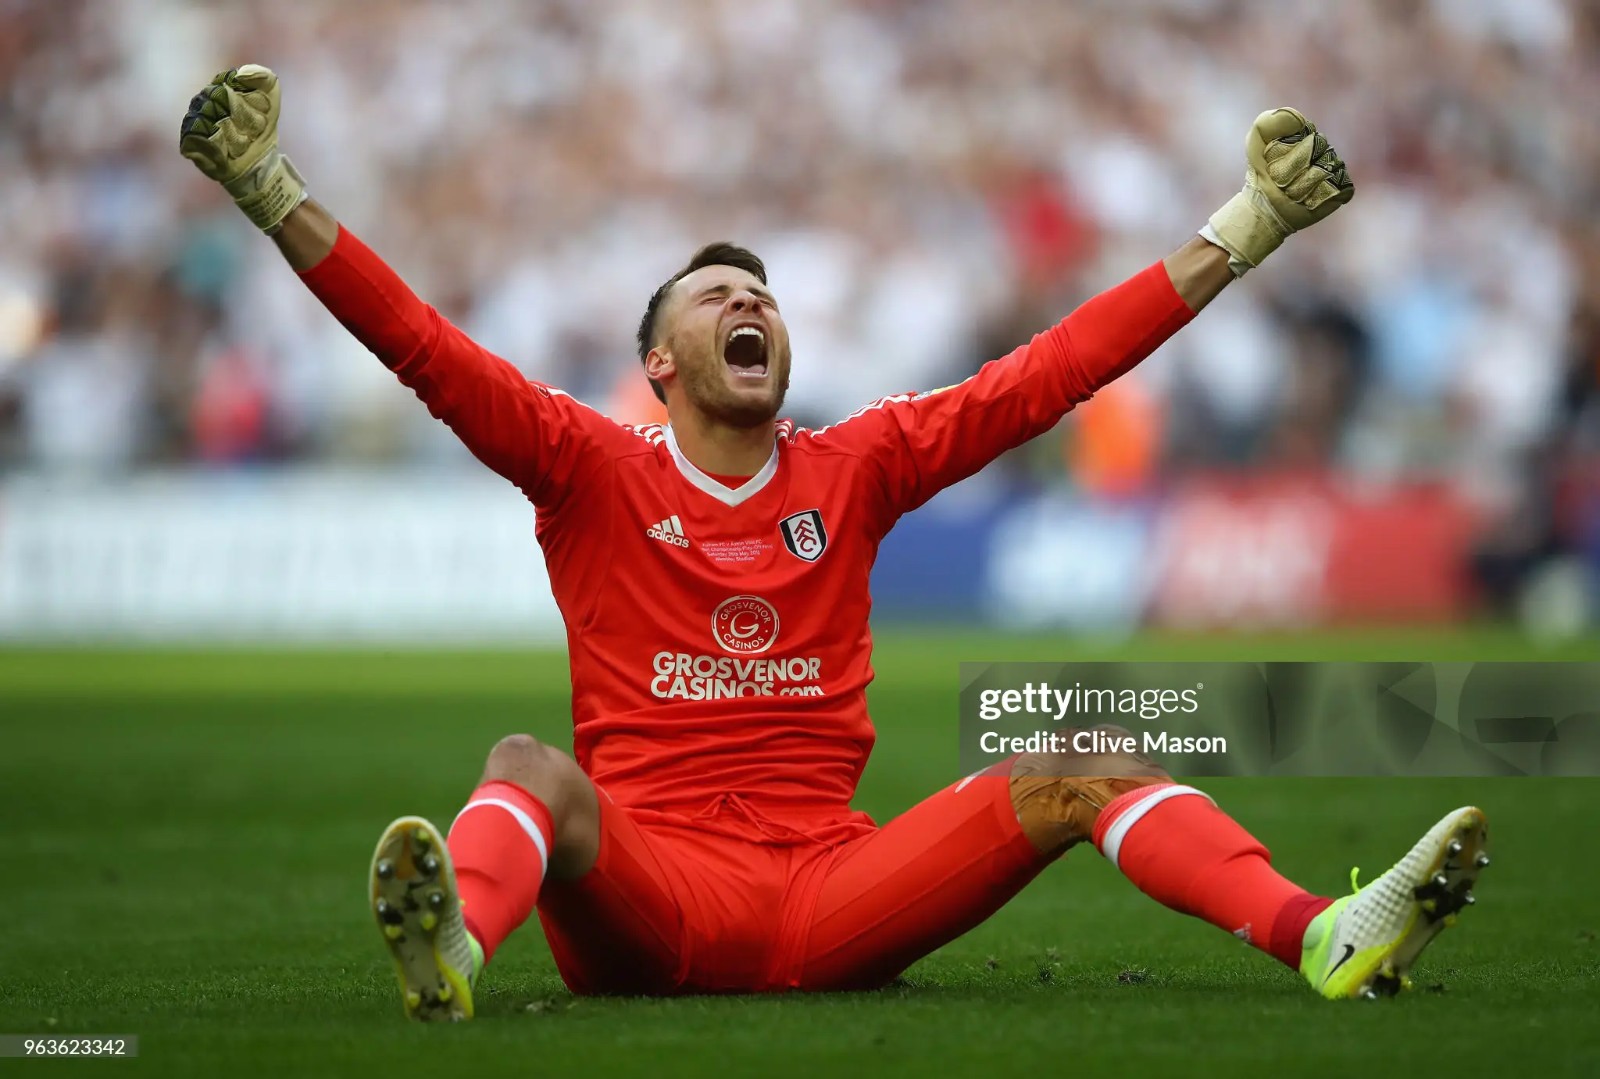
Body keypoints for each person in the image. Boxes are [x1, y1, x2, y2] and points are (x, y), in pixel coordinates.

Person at [179, 65, 1487, 1020]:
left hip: (829, 893)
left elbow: (1049, 376)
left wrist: (1244, 227)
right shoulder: (584, 464)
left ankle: (1321, 933)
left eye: (763, 293)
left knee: (1078, 762)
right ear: (659, 361)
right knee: (530, 765)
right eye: (715, 294)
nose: (750, 298)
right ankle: (458, 954)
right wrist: (266, 185)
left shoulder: (856, 464)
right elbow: (419, 342)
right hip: (657, 893)